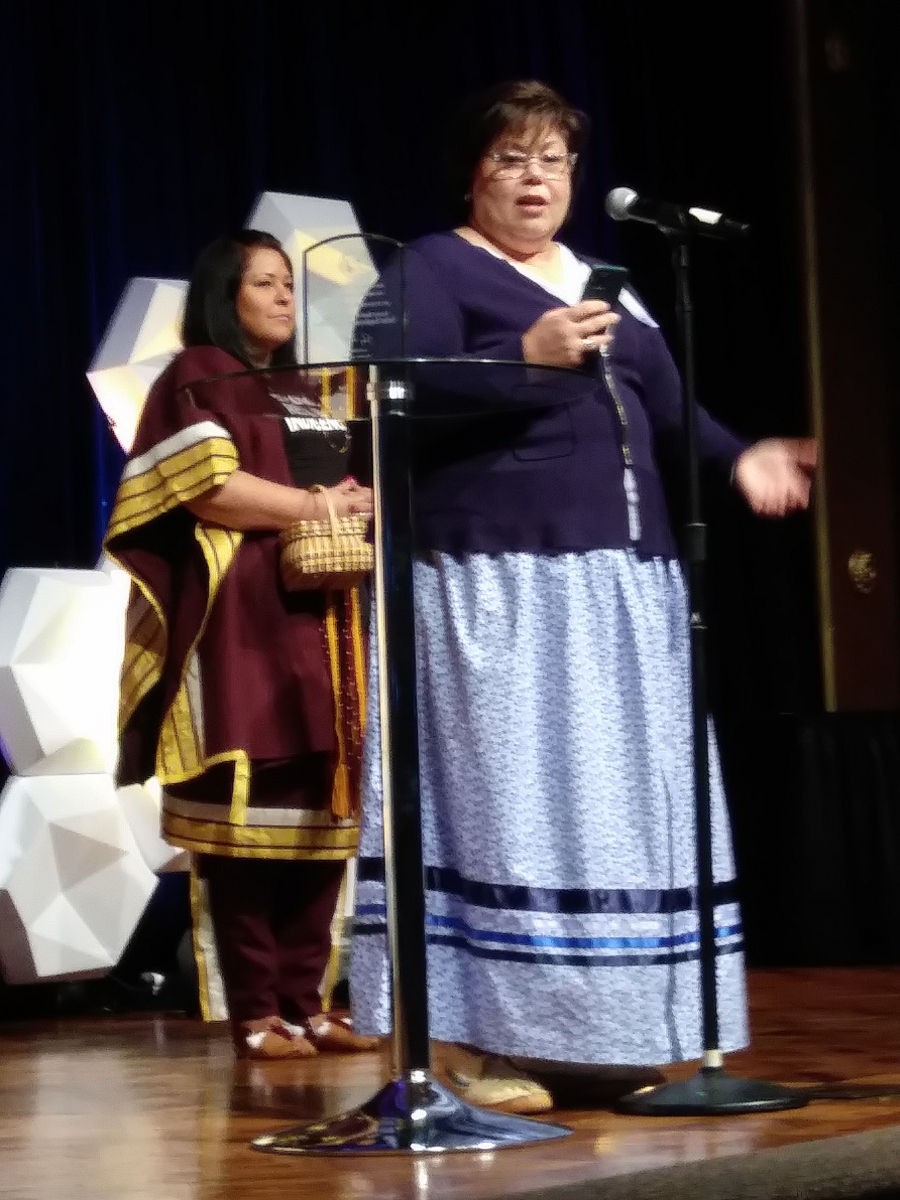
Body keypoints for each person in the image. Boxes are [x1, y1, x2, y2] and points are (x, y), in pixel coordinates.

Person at [349, 81, 816, 1111]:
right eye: (514, 158)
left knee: (615, 808)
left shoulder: (607, 279)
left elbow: (663, 398)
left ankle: (602, 1033)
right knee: (509, 803)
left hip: (619, 583)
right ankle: (476, 1046)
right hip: (495, 578)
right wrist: (517, 355)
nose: (536, 178)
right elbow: (385, 390)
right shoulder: (428, 265)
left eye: (554, 161)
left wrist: (740, 460)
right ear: (476, 173)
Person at [105, 230, 378, 1059]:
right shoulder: (198, 375)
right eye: (265, 282)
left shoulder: (303, 388)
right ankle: (255, 1009)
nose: (286, 296)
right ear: (226, 295)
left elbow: (335, 481)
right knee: (244, 821)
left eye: (289, 283)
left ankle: (312, 1001)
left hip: (325, 621)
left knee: (322, 816)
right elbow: (209, 487)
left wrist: (353, 498)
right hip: (242, 621)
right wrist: (316, 510)